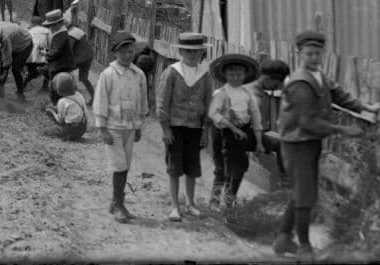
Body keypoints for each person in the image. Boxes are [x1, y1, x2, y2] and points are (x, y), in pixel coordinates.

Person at [273, 29, 380, 257]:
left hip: (310, 142)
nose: (313, 58)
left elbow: (339, 94)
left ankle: (283, 240)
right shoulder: (300, 83)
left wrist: (365, 107)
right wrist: (342, 130)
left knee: (301, 193)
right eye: (309, 54)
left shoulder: (319, 76)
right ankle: (304, 246)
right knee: (305, 196)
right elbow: (307, 122)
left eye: (317, 54)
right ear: (299, 54)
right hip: (297, 144)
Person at [93, 30, 150, 222]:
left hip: (130, 127)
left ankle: (116, 201)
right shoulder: (108, 74)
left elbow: (142, 100)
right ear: (115, 53)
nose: (127, 55)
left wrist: (139, 125)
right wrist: (102, 128)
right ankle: (119, 205)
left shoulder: (139, 74)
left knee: (125, 166)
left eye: (131, 51)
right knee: (119, 167)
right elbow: (100, 100)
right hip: (113, 128)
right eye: (123, 52)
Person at [157, 32, 212, 222]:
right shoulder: (172, 72)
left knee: (192, 167)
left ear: (201, 53)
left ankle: (190, 203)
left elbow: (208, 102)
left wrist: (205, 130)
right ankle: (174, 206)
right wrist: (165, 129)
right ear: (180, 51)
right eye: (187, 51)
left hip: (195, 127)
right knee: (174, 167)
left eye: (195, 52)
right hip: (175, 127)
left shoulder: (204, 75)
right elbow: (163, 101)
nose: (191, 55)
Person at [209, 52, 264, 210]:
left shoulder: (248, 95)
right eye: (231, 74)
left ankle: (229, 201)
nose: (235, 77)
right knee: (221, 167)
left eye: (239, 74)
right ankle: (214, 200)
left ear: (245, 75)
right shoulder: (220, 94)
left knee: (238, 168)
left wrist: (259, 142)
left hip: (241, 134)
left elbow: (256, 118)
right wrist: (230, 124)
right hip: (221, 133)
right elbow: (214, 114)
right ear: (225, 74)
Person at [0, 20, 34, 102]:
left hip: (25, 45)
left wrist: (4, 73)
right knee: (3, 64)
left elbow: (8, 57)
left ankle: (21, 96)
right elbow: (2, 52)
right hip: (14, 42)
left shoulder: (6, 36)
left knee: (16, 69)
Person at [42, 10, 76, 100]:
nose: (50, 28)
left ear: (57, 24)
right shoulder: (60, 33)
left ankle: (57, 103)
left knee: (56, 87)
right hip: (63, 64)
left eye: (51, 25)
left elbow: (56, 52)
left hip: (60, 65)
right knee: (59, 85)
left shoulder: (60, 35)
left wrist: (46, 54)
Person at [46, 73, 88, 141]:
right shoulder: (79, 95)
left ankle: (68, 136)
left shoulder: (62, 101)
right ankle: (76, 137)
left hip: (70, 129)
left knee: (47, 131)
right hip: (82, 128)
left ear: (58, 91)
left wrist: (52, 111)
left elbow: (60, 120)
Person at [68, 19, 96, 102]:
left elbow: (69, 49)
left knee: (64, 71)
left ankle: (74, 95)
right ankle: (93, 98)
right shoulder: (77, 31)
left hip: (80, 58)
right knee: (84, 78)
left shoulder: (71, 34)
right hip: (88, 56)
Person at [26, 14, 51, 86]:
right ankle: (44, 86)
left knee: (32, 73)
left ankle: (24, 84)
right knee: (47, 72)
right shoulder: (47, 31)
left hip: (30, 56)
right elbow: (50, 44)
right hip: (43, 54)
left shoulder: (29, 31)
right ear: (41, 23)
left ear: (32, 23)